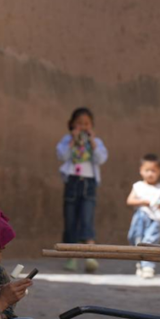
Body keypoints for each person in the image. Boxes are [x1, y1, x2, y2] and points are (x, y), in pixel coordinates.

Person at [56, 107, 108, 273]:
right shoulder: (67, 140)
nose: (83, 127)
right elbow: (62, 156)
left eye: (86, 124)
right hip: (72, 182)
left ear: (91, 126)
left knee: (87, 217)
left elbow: (101, 158)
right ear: (71, 124)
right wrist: (71, 141)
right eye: (79, 123)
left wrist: (92, 142)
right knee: (71, 219)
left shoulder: (96, 142)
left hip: (89, 183)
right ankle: (71, 257)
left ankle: (90, 256)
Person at [126, 153, 160, 279]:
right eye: (147, 170)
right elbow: (130, 200)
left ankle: (148, 266)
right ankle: (140, 262)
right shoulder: (138, 186)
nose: (150, 173)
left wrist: (159, 203)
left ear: (159, 171)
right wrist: (143, 202)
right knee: (136, 239)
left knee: (150, 241)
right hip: (140, 217)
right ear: (141, 171)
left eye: (153, 171)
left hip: (155, 219)